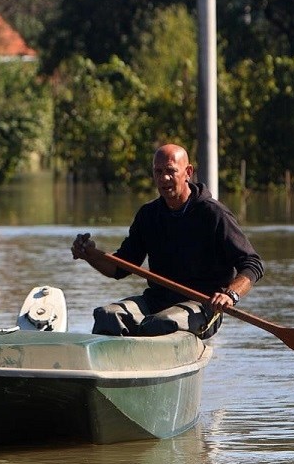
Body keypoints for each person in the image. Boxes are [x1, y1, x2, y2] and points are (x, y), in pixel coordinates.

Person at [71, 143, 264, 339]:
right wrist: (90, 255)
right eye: (158, 171)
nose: (164, 178)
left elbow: (252, 264)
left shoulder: (214, 214)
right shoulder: (148, 215)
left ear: (188, 172)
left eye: (171, 171)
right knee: (108, 316)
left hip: (202, 307)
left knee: (161, 323)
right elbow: (121, 267)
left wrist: (230, 295)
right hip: (156, 301)